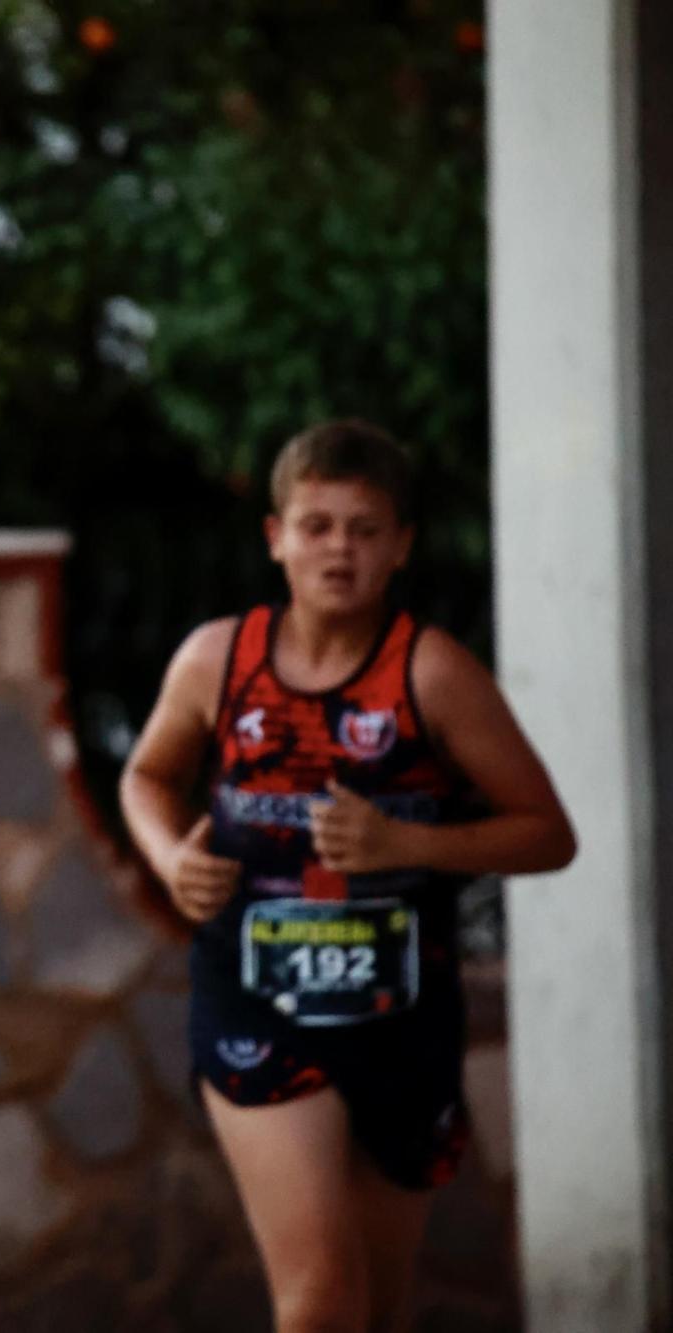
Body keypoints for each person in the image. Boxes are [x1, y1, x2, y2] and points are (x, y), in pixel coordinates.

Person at [119, 421, 576, 1333]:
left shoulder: (433, 672)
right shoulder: (220, 658)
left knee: (377, 1302)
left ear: (400, 546)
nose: (339, 547)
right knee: (322, 1298)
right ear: (276, 536)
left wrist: (407, 845)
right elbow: (145, 775)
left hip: (401, 1010)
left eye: (364, 528)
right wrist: (174, 860)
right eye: (317, 523)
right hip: (258, 1000)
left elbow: (547, 834)